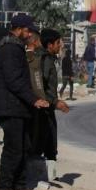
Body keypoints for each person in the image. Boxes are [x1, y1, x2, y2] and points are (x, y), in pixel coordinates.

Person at [0, 14, 49, 190]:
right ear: (20, 29)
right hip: (8, 105)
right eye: (28, 30)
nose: (29, 34)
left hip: (15, 106)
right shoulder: (11, 49)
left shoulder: (14, 47)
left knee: (23, 146)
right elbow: (15, 81)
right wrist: (33, 99)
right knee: (13, 148)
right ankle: (3, 188)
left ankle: (20, 186)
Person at [38, 29, 70, 180]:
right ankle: (45, 176)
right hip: (43, 108)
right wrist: (55, 102)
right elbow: (41, 87)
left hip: (48, 107)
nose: (60, 46)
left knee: (51, 141)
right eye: (58, 43)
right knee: (47, 141)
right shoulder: (45, 60)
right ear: (50, 45)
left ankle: (50, 175)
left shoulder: (50, 59)